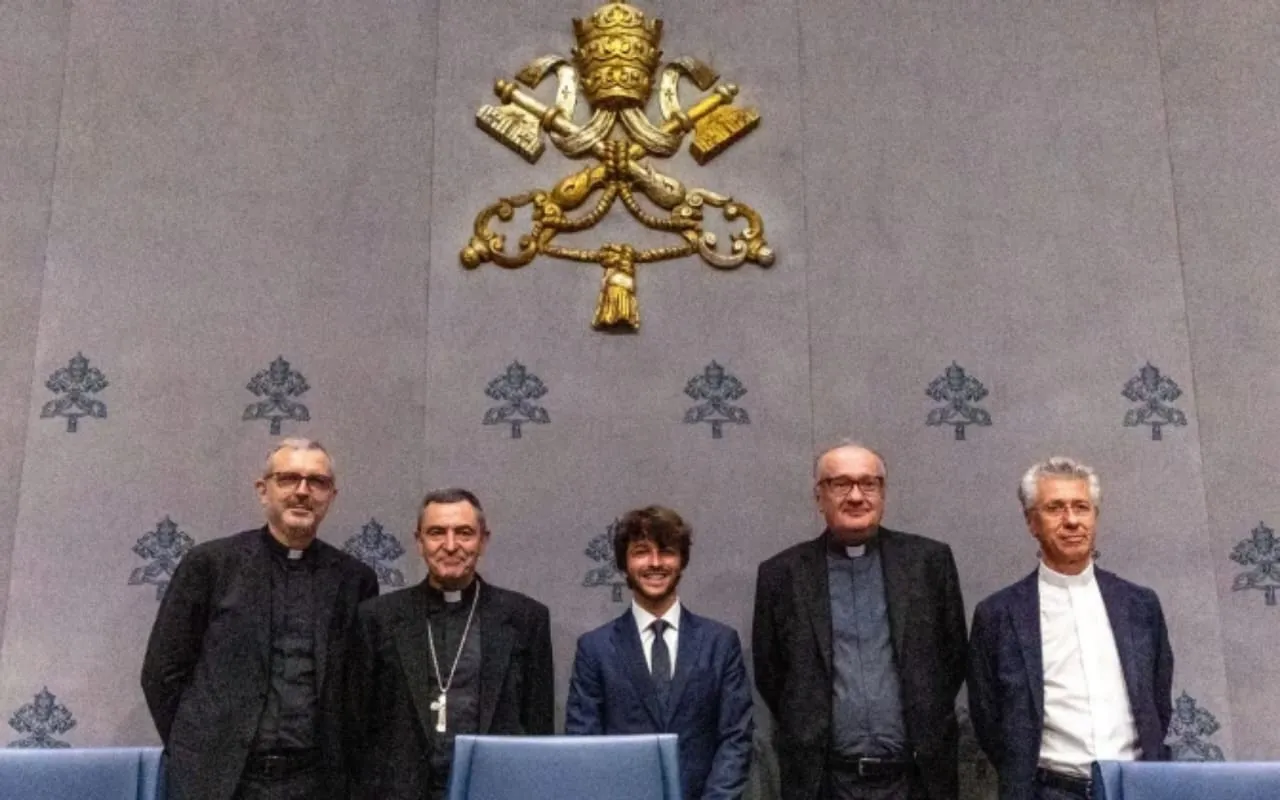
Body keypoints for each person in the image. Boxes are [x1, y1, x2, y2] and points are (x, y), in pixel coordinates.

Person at [141, 438, 379, 800]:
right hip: (220, 782)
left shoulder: (354, 580)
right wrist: (198, 746)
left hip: (316, 782)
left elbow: (359, 687)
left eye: (317, 482)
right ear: (263, 490)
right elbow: (162, 673)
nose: (303, 491)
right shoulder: (211, 565)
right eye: (288, 478)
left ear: (331, 496)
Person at [752, 442, 967, 800]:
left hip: (916, 782)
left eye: (869, 484)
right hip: (824, 784)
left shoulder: (929, 563)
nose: (856, 496)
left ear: (883, 494)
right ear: (819, 497)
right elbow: (771, 674)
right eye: (840, 484)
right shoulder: (782, 575)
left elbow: (952, 659)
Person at [967, 457, 1174, 800]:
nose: (1072, 521)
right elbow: (989, 720)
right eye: (1055, 508)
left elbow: (1158, 702)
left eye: (1081, 507)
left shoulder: (1140, 605)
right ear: (1031, 522)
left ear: (1095, 516)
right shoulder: (998, 615)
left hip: (1135, 788)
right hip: (1049, 792)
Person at [353, 488, 554, 799]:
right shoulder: (377, 618)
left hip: (495, 790)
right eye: (437, 533)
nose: (450, 546)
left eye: (464, 533)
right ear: (419, 542)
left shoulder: (526, 619)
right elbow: (357, 729)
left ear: (483, 541)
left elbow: (539, 728)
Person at [565, 506, 754, 800]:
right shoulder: (595, 649)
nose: (655, 563)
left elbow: (736, 737)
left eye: (666, 551)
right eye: (641, 552)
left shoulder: (720, 643)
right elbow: (584, 745)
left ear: (682, 560)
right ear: (624, 563)